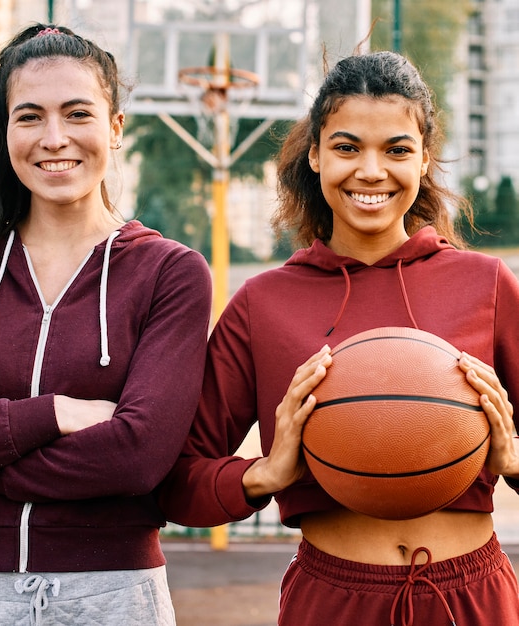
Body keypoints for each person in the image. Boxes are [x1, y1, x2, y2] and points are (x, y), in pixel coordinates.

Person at [158, 50, 519, 625]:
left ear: (425, 159)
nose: (371, 171)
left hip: (470, 595)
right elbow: (176, 480)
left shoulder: (487, 285)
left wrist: (514, 461)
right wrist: (265, 473)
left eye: (397, 150)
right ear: (316, 156)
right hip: (333, 599)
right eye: (347, 147)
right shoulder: (262, 303)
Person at [0, 23, 211, 625]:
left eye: (77, 113)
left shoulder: (170, 273)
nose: (54, 137)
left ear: (115, 128)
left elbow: (138, 460)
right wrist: (53, 415)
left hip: (114, 595)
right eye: (30, 116)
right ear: (5, 131)